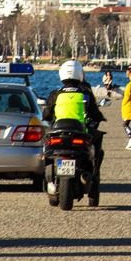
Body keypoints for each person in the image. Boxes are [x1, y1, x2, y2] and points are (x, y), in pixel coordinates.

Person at [42, 60, 106, 200]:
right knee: (97, 148)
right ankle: (93, 177)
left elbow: (46, 114)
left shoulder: (56, 94)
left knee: (46, 149)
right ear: (80, 75)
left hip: (59, 133)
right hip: (79, 132)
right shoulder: (85, 93)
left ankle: (50, 180)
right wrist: (100, 118)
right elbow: (94, 113)